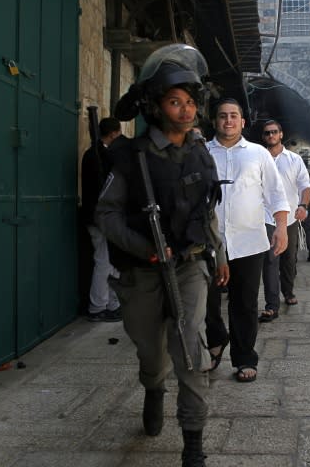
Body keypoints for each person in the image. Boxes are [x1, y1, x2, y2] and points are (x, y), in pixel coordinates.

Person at [96, 43, 228, 467]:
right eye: (176, 102)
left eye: (190, 102)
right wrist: (146, 249)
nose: (187, 110)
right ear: (155, 107)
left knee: (190, 349)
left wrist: (219, 255)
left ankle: (193, 445)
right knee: (152, 355)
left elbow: (208, 209)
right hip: (143, 273)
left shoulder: (199, 151)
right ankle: (153, 387)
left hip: (189, 267)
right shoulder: (129, 157)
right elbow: (106, 213)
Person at [205, 99, 289, 383]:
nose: (228, 121)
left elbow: (276, 193)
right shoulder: (201, 153)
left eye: (234, 116)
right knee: (206, 298)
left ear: (243, 122)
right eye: (222, 116)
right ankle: (216, 340)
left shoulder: (258, 154)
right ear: (215, 121)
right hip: (209, 242)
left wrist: (281, 227)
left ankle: (244, 358)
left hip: (250, 241)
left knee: (245, 302)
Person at [259, 120, 310, 322]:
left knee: (288, 260)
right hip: (266, 217)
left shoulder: (294, 160)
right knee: (270, 260)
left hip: (289, 218)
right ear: (264, 137)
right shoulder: (258, 159)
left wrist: (303, 205)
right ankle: (272, 306)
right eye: (267, 133)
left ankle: (288, 292)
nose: (270, 135)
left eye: (274, 132)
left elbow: (305, 186)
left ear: (281, 134)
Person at [80, 117, 122, 322]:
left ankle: (111, 303)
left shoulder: (97, 154)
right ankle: (98, 307)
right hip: (100, 217)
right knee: (104, 261)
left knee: (110, 262)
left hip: (101, 216)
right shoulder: (98, 155)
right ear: (114, 133)